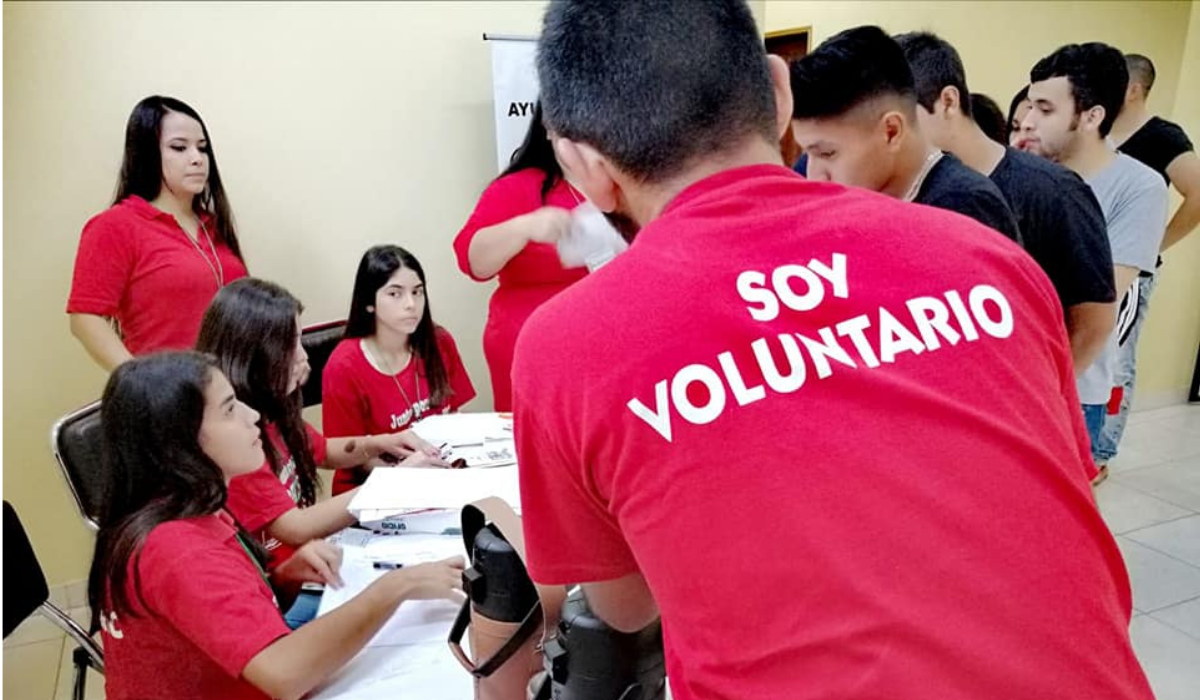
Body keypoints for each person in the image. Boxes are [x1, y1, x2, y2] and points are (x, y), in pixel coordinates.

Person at [514, 2, 1150, 699]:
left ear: (580, 163)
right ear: (778, 90)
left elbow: (626, 608)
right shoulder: (985, 257)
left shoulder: (569, 344)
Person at [87, 351, 465, 700]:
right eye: (230, 409)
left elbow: (213, 612)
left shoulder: (189, 505)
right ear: (179, 440)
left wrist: (281, 578)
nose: (252, 415)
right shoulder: (178, 548)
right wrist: (395, 587)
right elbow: (285, 674)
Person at [196, 277, 443, 627]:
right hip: (285, 592)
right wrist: (391, 484)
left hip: (312, 565)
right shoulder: (240, 443)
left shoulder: (271, 412)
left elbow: (323, 451)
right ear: (252, 355)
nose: (302, 355)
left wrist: (379, 442)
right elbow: (296, 528)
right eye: (291, 344)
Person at [895, 31, 1116, 377]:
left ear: (948, 102)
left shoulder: (1052, 190)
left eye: (903, 117)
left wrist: (1049, 392)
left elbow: (1094, 319)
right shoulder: (908, 189)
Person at [1022, 43, 1169, 481]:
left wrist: (1044, 390)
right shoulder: (1023, 171)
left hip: (1072, 386)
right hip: (1011, 376)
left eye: (1045, 109)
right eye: (1029, 106)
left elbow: (1095, 308)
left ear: (1091, 117)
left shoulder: (1139, 188)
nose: (1029, 121)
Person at [789, 26, 1021, 243]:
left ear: (891, 132)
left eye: (827, 154)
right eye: (807, 153)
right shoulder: (830, 190)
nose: (814, 176)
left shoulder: (964, 208)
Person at [67, 96, 249, 370]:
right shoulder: (116, 225)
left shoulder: (213, 224)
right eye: (179, 147)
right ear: (147, 153)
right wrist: (139, 380)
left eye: (202, 148)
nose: (197, 159)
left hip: (233, 386)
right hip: (167, 388)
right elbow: (85, 318)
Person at [1098, 52, 1200, 465]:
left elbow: (1198, 192)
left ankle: (1101, 452)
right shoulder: (1099, 129)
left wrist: (1154, 245)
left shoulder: (1163, 137)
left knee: (1117, 359)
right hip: (1091, 263)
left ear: (1134, 89)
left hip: (1131, 272)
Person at [453, 102, 588, 411]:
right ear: (548, 127)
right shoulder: (518, 187)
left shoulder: (627, 183)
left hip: (605, 339)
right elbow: (472, 261)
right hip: (530, 345)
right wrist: (524, 227)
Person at [323, 246, 475, 495]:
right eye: (395, 294)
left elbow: (456, 414)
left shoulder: (438, 341)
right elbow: (351, 458)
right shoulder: (344, 366)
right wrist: (405, 475)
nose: (411, 304)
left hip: (440, 474)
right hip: (371, 488)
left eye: (417, 292)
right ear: (369, 303)